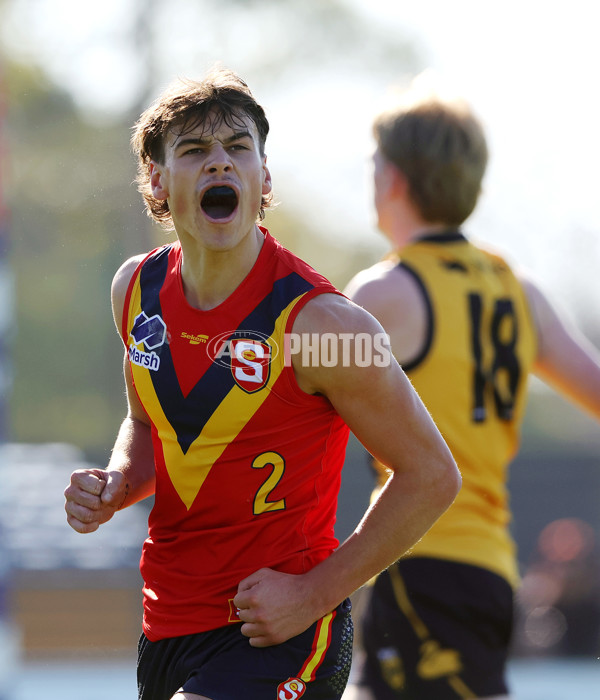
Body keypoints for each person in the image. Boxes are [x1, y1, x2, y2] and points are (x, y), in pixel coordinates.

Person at [63, 67, 460, 700]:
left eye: (238, 148)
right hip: (166, 629)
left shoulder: (324, 324)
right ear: (159, 184)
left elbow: (433, 475)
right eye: (194, 151)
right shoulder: (135, 290)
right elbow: (147, 427)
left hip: (284, 636)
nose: (219, 163)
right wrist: (115, 484)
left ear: (263, 178)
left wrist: (314, 593)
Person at [342, 74, 600, 700]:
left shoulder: (382, 294)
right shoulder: (520, 289)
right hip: (488, 569)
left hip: (422, 564)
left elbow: (291, 405)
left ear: (396, 179)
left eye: (376, 163)